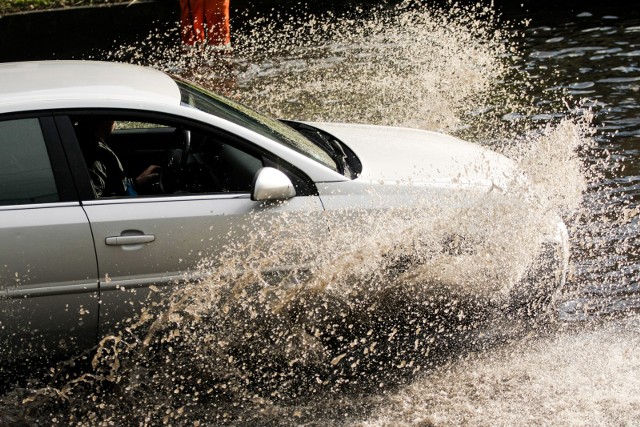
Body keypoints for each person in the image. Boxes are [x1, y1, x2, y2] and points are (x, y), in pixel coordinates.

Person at [75, 118, 160, 198]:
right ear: (107, 122)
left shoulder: (90, 142)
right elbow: (95, 204)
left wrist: (135, 183)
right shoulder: (92, 157)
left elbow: (115, 187)